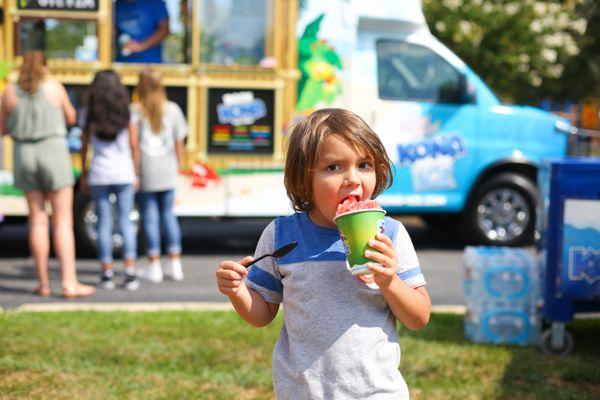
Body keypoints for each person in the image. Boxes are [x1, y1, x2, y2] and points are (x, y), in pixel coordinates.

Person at [216, 108, 431, 399]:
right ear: (305, 180)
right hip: (303, 392)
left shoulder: (389, 235)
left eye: (364, 165)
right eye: (334, 167)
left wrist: (390, 281)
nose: (353, 179)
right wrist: (237, 291)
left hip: (376, 392)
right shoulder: (283, 236)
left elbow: (418, 317)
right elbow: (261, 314)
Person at [0, 51, 95, 298]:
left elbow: (2, 128)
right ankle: (69, 283)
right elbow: (71, 117)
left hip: (24, 155)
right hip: (53, 152)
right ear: (45, 67)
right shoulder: (54, 87)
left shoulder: (9, 91)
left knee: (37, 220)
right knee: (62, 221)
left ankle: (43, 284)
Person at [80, 70, 140, 291]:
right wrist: (136, 173)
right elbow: (134, 145)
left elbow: (84, 146)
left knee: (104, 223)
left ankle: (106, 273)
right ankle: (130, 272)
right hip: (123, 173)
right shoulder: (127, 112)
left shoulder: (88, 113)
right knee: (125, 222)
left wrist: (84, 174)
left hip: (99, 173)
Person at [132, 69, 186, 282]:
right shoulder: (172, 109)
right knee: (168, 216)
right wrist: (179, 167)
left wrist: (135, 171)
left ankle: (154, 265)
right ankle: (175, 263)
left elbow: (134, 145)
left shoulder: (136, 111)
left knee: (151, 218)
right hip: (168, 171)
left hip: (147, 172)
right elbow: (178, 143)